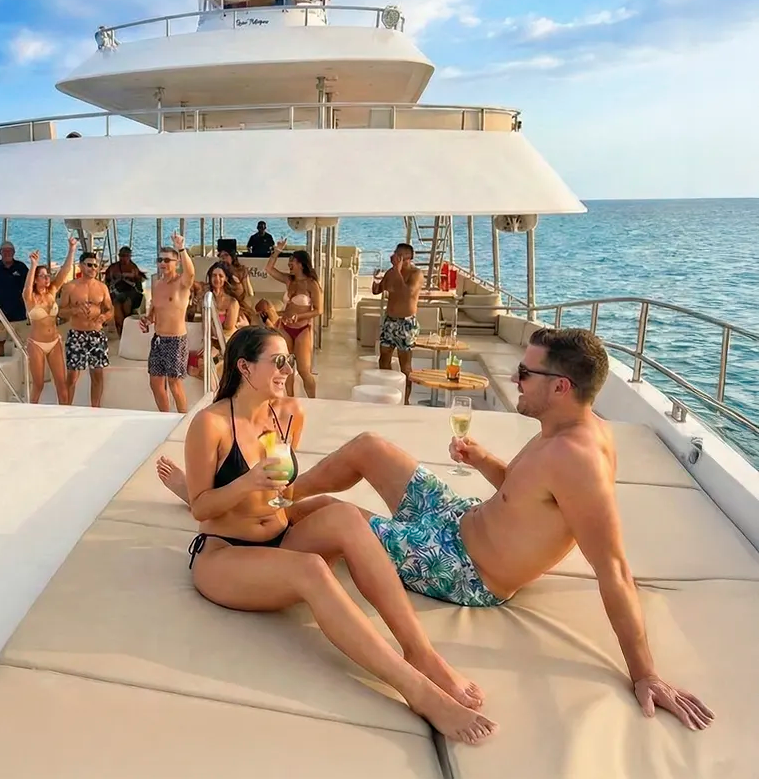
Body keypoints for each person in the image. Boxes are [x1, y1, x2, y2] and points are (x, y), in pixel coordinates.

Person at [286, 327, 713, 733]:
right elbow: (522, 493)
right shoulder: (559, 428)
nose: (515, 378)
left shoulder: (579, 460)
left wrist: (645, 673)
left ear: (561, 386)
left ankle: (260, 523)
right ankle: (281, 494)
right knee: (369, 448)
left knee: (329, 512)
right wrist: (481, 460)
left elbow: (614, 568)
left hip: (464, 569)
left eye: (526, 373)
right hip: (461, 517)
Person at [180, 326, 494, 747]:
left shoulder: (288, 413)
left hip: (279, 536)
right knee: (311, 568)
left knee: (345, 515)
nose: (287, 369)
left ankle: (422, 652)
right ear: (244, 367)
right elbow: (201, 507)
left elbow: (285, 493)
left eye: (289, 360)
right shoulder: (211, 424)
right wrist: (249, 482)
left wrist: (290, 499)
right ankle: (418, 692)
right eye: (277, 361)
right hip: (224, 555)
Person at [141, 233, 195, 414]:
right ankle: (165, 417)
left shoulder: (181, 282)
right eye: (159, 259)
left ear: (176, 263)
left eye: (167, 260)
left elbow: (191, 273)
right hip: (158, 339)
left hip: (176, 340)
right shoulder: (157, 283)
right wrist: (147, 320)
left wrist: (181, 247)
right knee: (155, 382)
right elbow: (154, 310)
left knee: (174, 382)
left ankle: (182, 419)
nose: (162, 263)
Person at [23, 239, 77, 405]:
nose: (47, 278)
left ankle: (65, 414)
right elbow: (27, 287)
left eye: (47, 275)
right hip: (37, 344)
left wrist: (72, 249)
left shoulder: (52, 292)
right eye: (42, 276)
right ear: (36, 280)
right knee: (38, 385)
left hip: (54, 342)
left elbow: (65, 270)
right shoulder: (30, 298)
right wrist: (33, 266)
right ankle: (31, 414)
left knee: (62, 384)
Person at [266, 241, 323, 398]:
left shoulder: (312, 284)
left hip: (302, 329)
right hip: (285, 327)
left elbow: (319, 310)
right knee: (287, 366)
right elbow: (269, 268)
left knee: (304, 371)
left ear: (302, 264)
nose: (290, 263)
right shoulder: (289, 280)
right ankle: (290, 399)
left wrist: (299, 316)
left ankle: (313, 400)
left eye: (293, 261)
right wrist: (277, 250)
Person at [372, 243, 424, 403]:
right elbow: (377, 290)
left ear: (408, 258)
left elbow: (407, 293)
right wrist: (376, 280)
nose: (394, 257)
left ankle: (406, 400)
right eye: (395, 253)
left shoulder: (416, 274)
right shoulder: (391, 272)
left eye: (399, 255)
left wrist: (397, 270)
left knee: (405, 365)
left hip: (406, 324)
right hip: (390, 321)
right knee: (383, 358)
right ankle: (387, 393)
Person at [62, 253, 114, 407]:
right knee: (72, 375)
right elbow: (60, 311)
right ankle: (67, 408)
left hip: (96, 335)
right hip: (77, 334)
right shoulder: (70, 287)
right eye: (89, 265)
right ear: (81, 265)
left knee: (97, 375)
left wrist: (103, 318)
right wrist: (75, 310)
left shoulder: (102, 287)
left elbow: (110, 310)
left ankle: (95, 409)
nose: (93, 268)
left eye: (95, 265)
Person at [0, 240, 29, 353]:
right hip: (0, 314)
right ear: (0, 252)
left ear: (14, 252)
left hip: (19, 313)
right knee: (0, 342)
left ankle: (22, 369)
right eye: (4, 251)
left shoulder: (22, 267)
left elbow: (30, 286)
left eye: (10, 251)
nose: (7, 253)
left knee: (22, 344)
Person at [105, 246, 146, 333]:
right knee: (117, 305)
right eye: (121, 256)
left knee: (126, 304)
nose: (123, 258)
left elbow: (139, 285)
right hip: (117, 293)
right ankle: (121, 330)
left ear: (130, 256)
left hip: (131, 293)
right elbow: (107, 281)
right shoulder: (113, 267)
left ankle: (126, 327)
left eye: (126, 256)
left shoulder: (133, 267)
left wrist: (129, 276)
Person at [204, 261, 243, 338]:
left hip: (227, 341)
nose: (217, 279)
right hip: (209, 341)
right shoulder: (206, 298)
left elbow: (228, 327)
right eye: (214, 275)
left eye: (221, 276)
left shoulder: (232, 302)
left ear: (226, 278)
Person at [216, 242, 254, 311]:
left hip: (239, 304)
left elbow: (249, 292)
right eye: (221, 256)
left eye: (226, 255)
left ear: (232, 257)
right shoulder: (217, 271)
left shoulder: (241, 270)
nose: (223, 258)